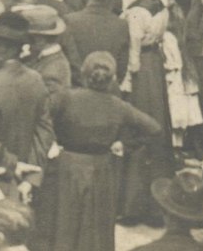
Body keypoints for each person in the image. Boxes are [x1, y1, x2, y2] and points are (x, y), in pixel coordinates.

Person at [38, 50, 160, 251]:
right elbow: (154, 128)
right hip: (102, 169)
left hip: (67, 166)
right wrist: (126, 145)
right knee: (95, 228)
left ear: (85, 75)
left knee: (64, 224)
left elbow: (42, 117)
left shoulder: (65, 98)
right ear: (112, 79)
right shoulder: (119, 106)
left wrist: (50, 141)